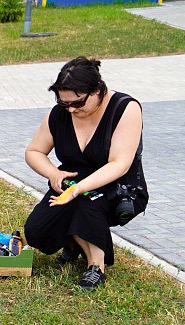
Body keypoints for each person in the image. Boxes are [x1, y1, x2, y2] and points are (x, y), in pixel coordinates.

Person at [23, 57, 147, 290]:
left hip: (117, 185)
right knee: (35, 232)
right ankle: (72, 243)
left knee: (85, 206)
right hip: (70, 182)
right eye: (64, 103)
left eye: (77, 103)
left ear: (98, 91)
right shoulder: (60, 114)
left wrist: (79, 189)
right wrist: (52, 173)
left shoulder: (125, 108)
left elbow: (120, 163)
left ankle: (95, 266)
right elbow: (34, 151)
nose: (70, 109)